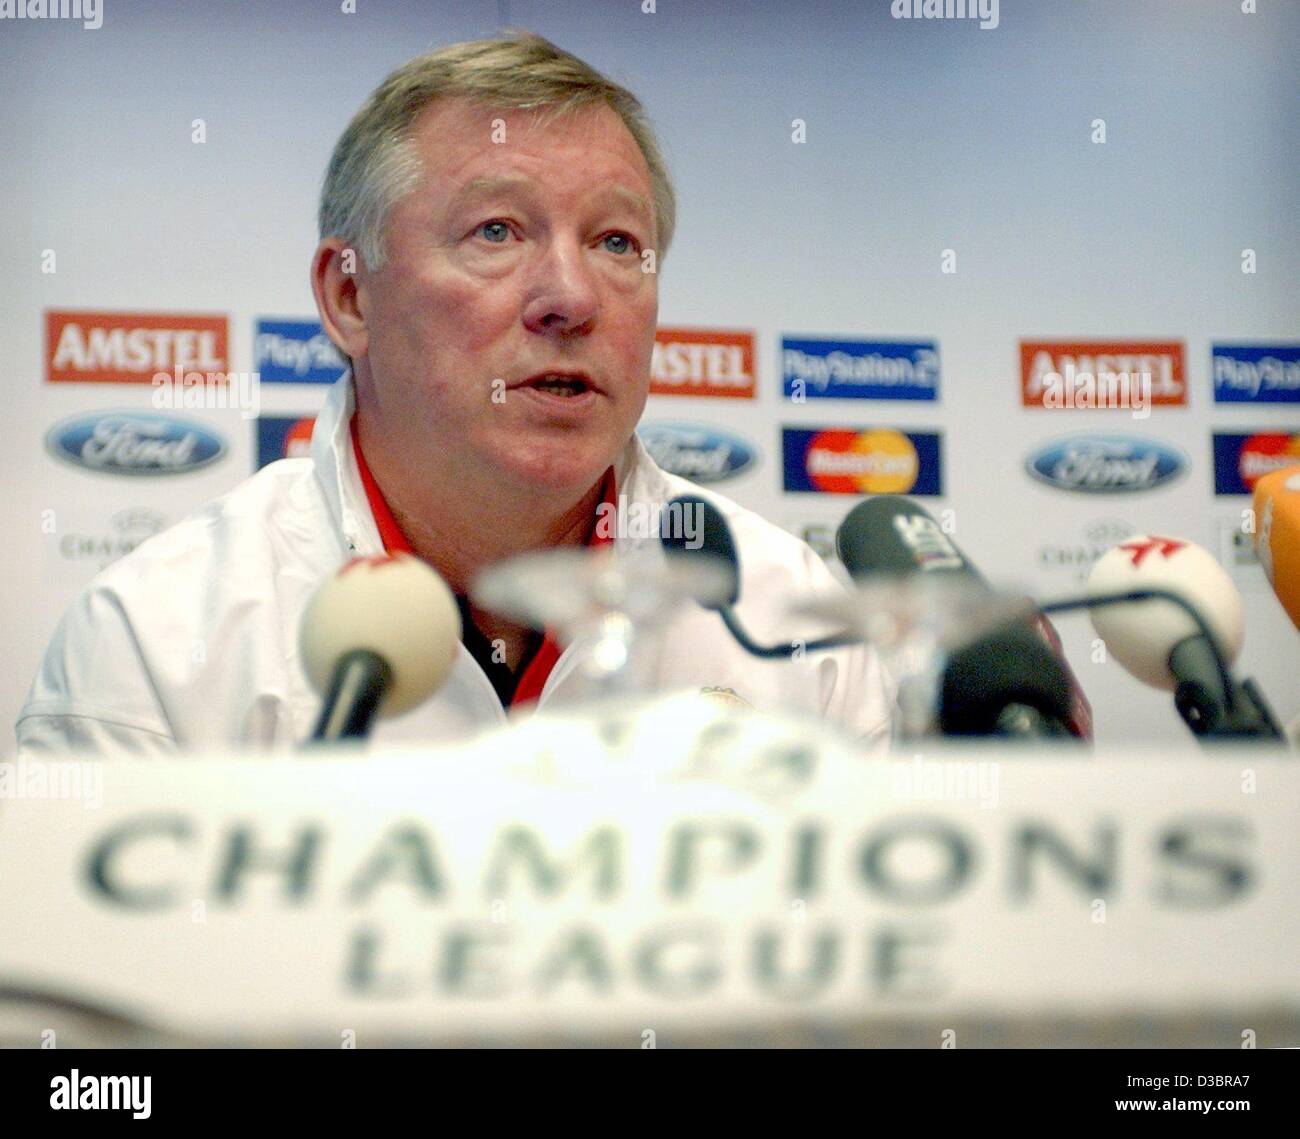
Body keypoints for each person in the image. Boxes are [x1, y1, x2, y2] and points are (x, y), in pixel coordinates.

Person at [15, 31, 893, 756]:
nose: (573, 298)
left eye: (617, 242)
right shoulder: (154, 647)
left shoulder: (795, 625)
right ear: (350, 295)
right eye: (497, 231)